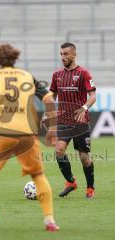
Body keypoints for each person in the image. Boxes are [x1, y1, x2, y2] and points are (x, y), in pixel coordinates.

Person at [0, 43, 59, 231]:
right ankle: (49, 221)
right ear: (15, 58)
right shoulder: (27, 76)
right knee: (38, 175)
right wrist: (52, 129)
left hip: (1, 131)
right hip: (27, 132)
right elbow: (50, 100)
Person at [50, 42, 96, 198]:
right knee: (59, 150)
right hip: (63, 120)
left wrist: (84, 108)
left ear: (73, 54)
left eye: (66, 54)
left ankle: (90, 188)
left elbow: (93, 97)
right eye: (61, 54)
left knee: (84, 158)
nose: (63, 57)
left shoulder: (84, 73)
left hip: (80, 123)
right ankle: (70, 182)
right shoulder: (57, 75)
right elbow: (53, 95)